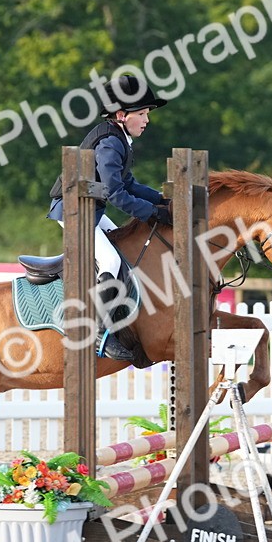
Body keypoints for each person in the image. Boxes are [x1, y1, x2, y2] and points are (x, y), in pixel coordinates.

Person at [46, 74, 170, 360]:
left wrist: (163, 201)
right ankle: (100, 333)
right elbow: (116, 193)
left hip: (91, 209)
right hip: (75, 210)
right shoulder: (110, 143)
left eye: (147, 113)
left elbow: (129, 184)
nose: (147, 120)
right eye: (142, 113)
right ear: (121, 114)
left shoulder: (119, 138)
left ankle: (120, 316)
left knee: (123, 252)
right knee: (112, 260)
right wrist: (153, 213)